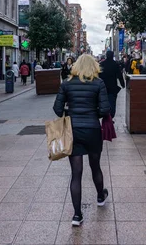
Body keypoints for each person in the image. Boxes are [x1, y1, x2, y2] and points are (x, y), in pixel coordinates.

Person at [53, 54, 111, 227]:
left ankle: (77, 215)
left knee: (76, 174)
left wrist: (69, 109)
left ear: (76, 66)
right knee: (95, 167)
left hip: (74, 131)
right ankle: (100, 196)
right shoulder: (98, 83)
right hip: (93, 130)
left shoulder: (67, 84)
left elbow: (57, 110)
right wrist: (94, 112)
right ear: (94, 67)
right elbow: (106, 109)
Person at [99, 51, 125, 118]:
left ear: (106, 55)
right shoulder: (115, 64)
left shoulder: (102, 64)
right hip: (112, 87)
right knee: (112, 102)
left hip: (103, 87)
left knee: (104, 101)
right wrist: (123, 84)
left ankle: (105, 115)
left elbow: (98, 75)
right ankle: (111, 116)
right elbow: (120, 75)